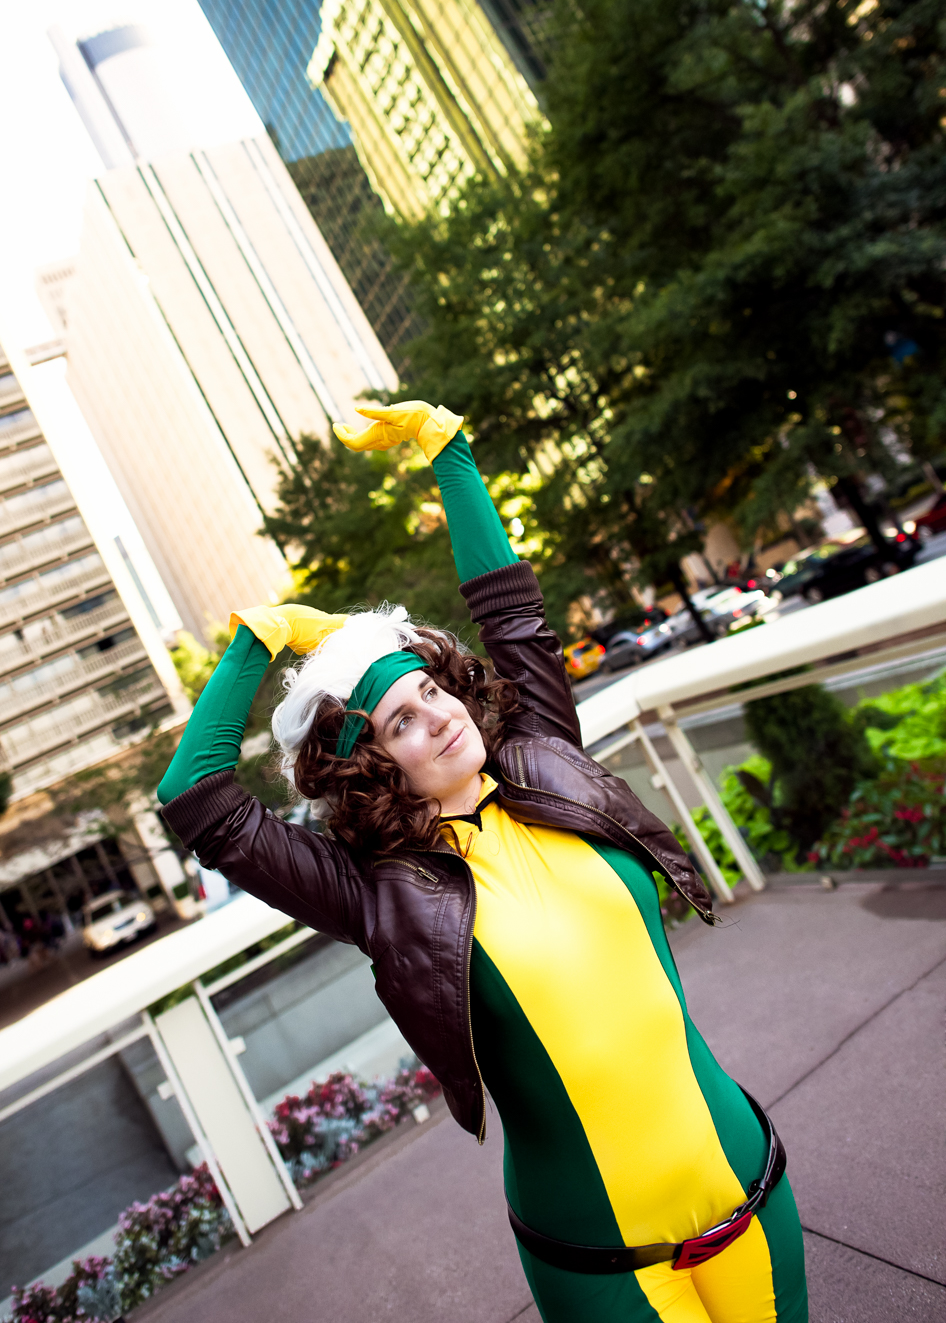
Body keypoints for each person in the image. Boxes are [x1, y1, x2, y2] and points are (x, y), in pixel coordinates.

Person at [157, 402, 807, 1323]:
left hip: (747, 1184)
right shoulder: (375, 891)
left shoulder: (545, 759)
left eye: (432, 691)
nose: (438, 717)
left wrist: (449, 454)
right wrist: (260, 638)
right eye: (402, 721)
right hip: (601, 1257)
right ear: (374, 764)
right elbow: (196, 797)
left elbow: (511, 613)